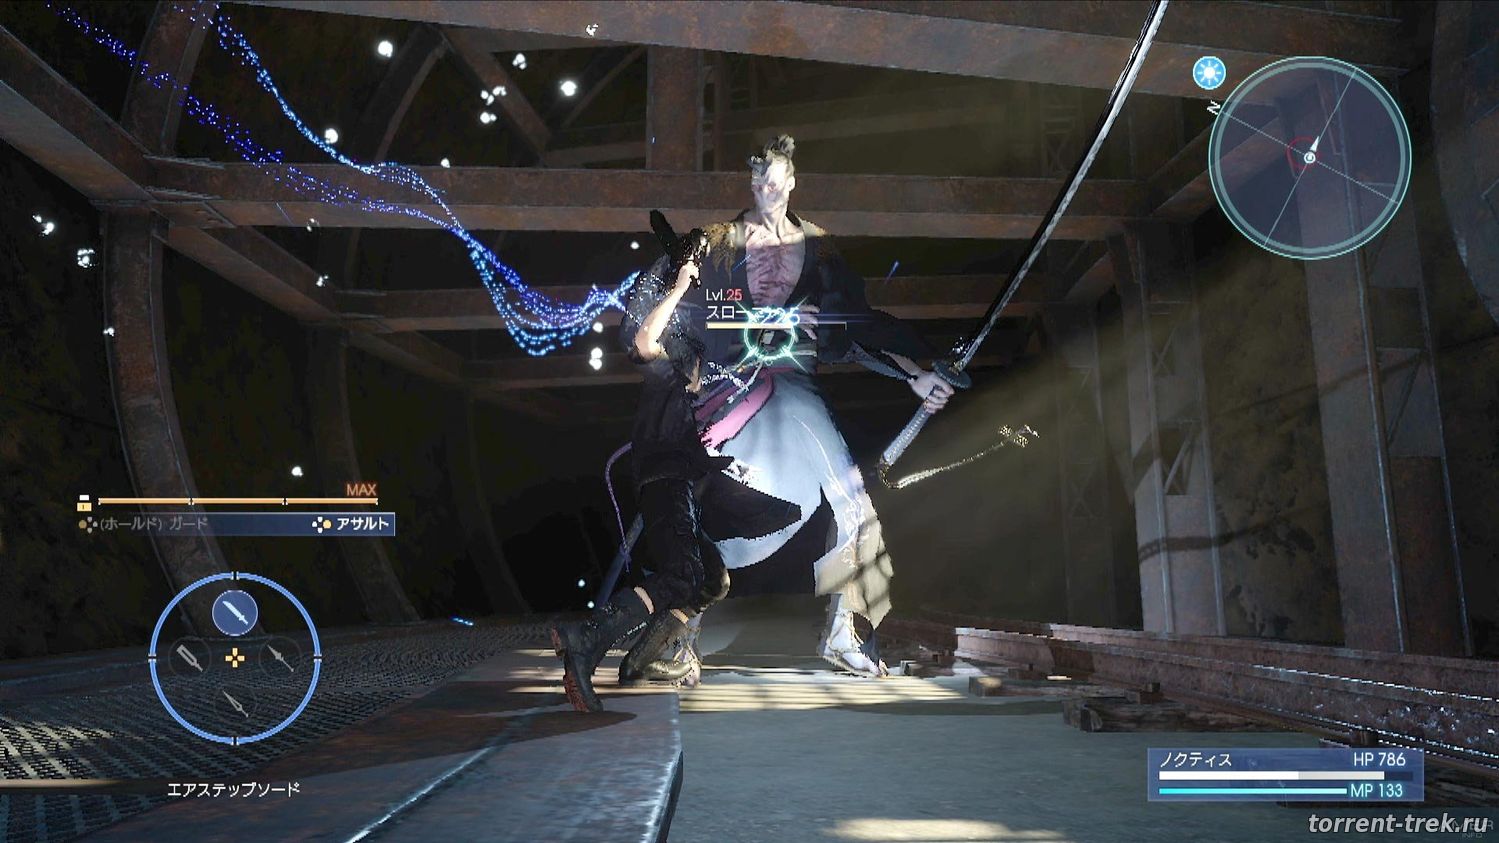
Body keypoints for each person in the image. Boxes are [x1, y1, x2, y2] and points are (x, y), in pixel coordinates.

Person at [681, 135, 955, 677]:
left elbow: (855, 325)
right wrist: (767, 318)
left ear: (792, 182)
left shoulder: (821, 248)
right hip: (728, 386)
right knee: (772, 519)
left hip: (794, 385)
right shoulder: (718, 241)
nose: (766, 191)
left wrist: (916, 374)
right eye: (757, 182)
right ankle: (676, 624)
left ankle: (843, 633)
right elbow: (695, 311)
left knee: (837, 506)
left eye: (775, 182)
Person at [554, 214, 768, 711]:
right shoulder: (665, 364)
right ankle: (588, 638)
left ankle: (644, 658)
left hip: (677, 480)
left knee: (711, 579)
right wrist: (680, 284)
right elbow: (643, 343)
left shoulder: (685, 390)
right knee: (681, 577)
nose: (703, 376)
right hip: (662, 479)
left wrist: (719, 462)